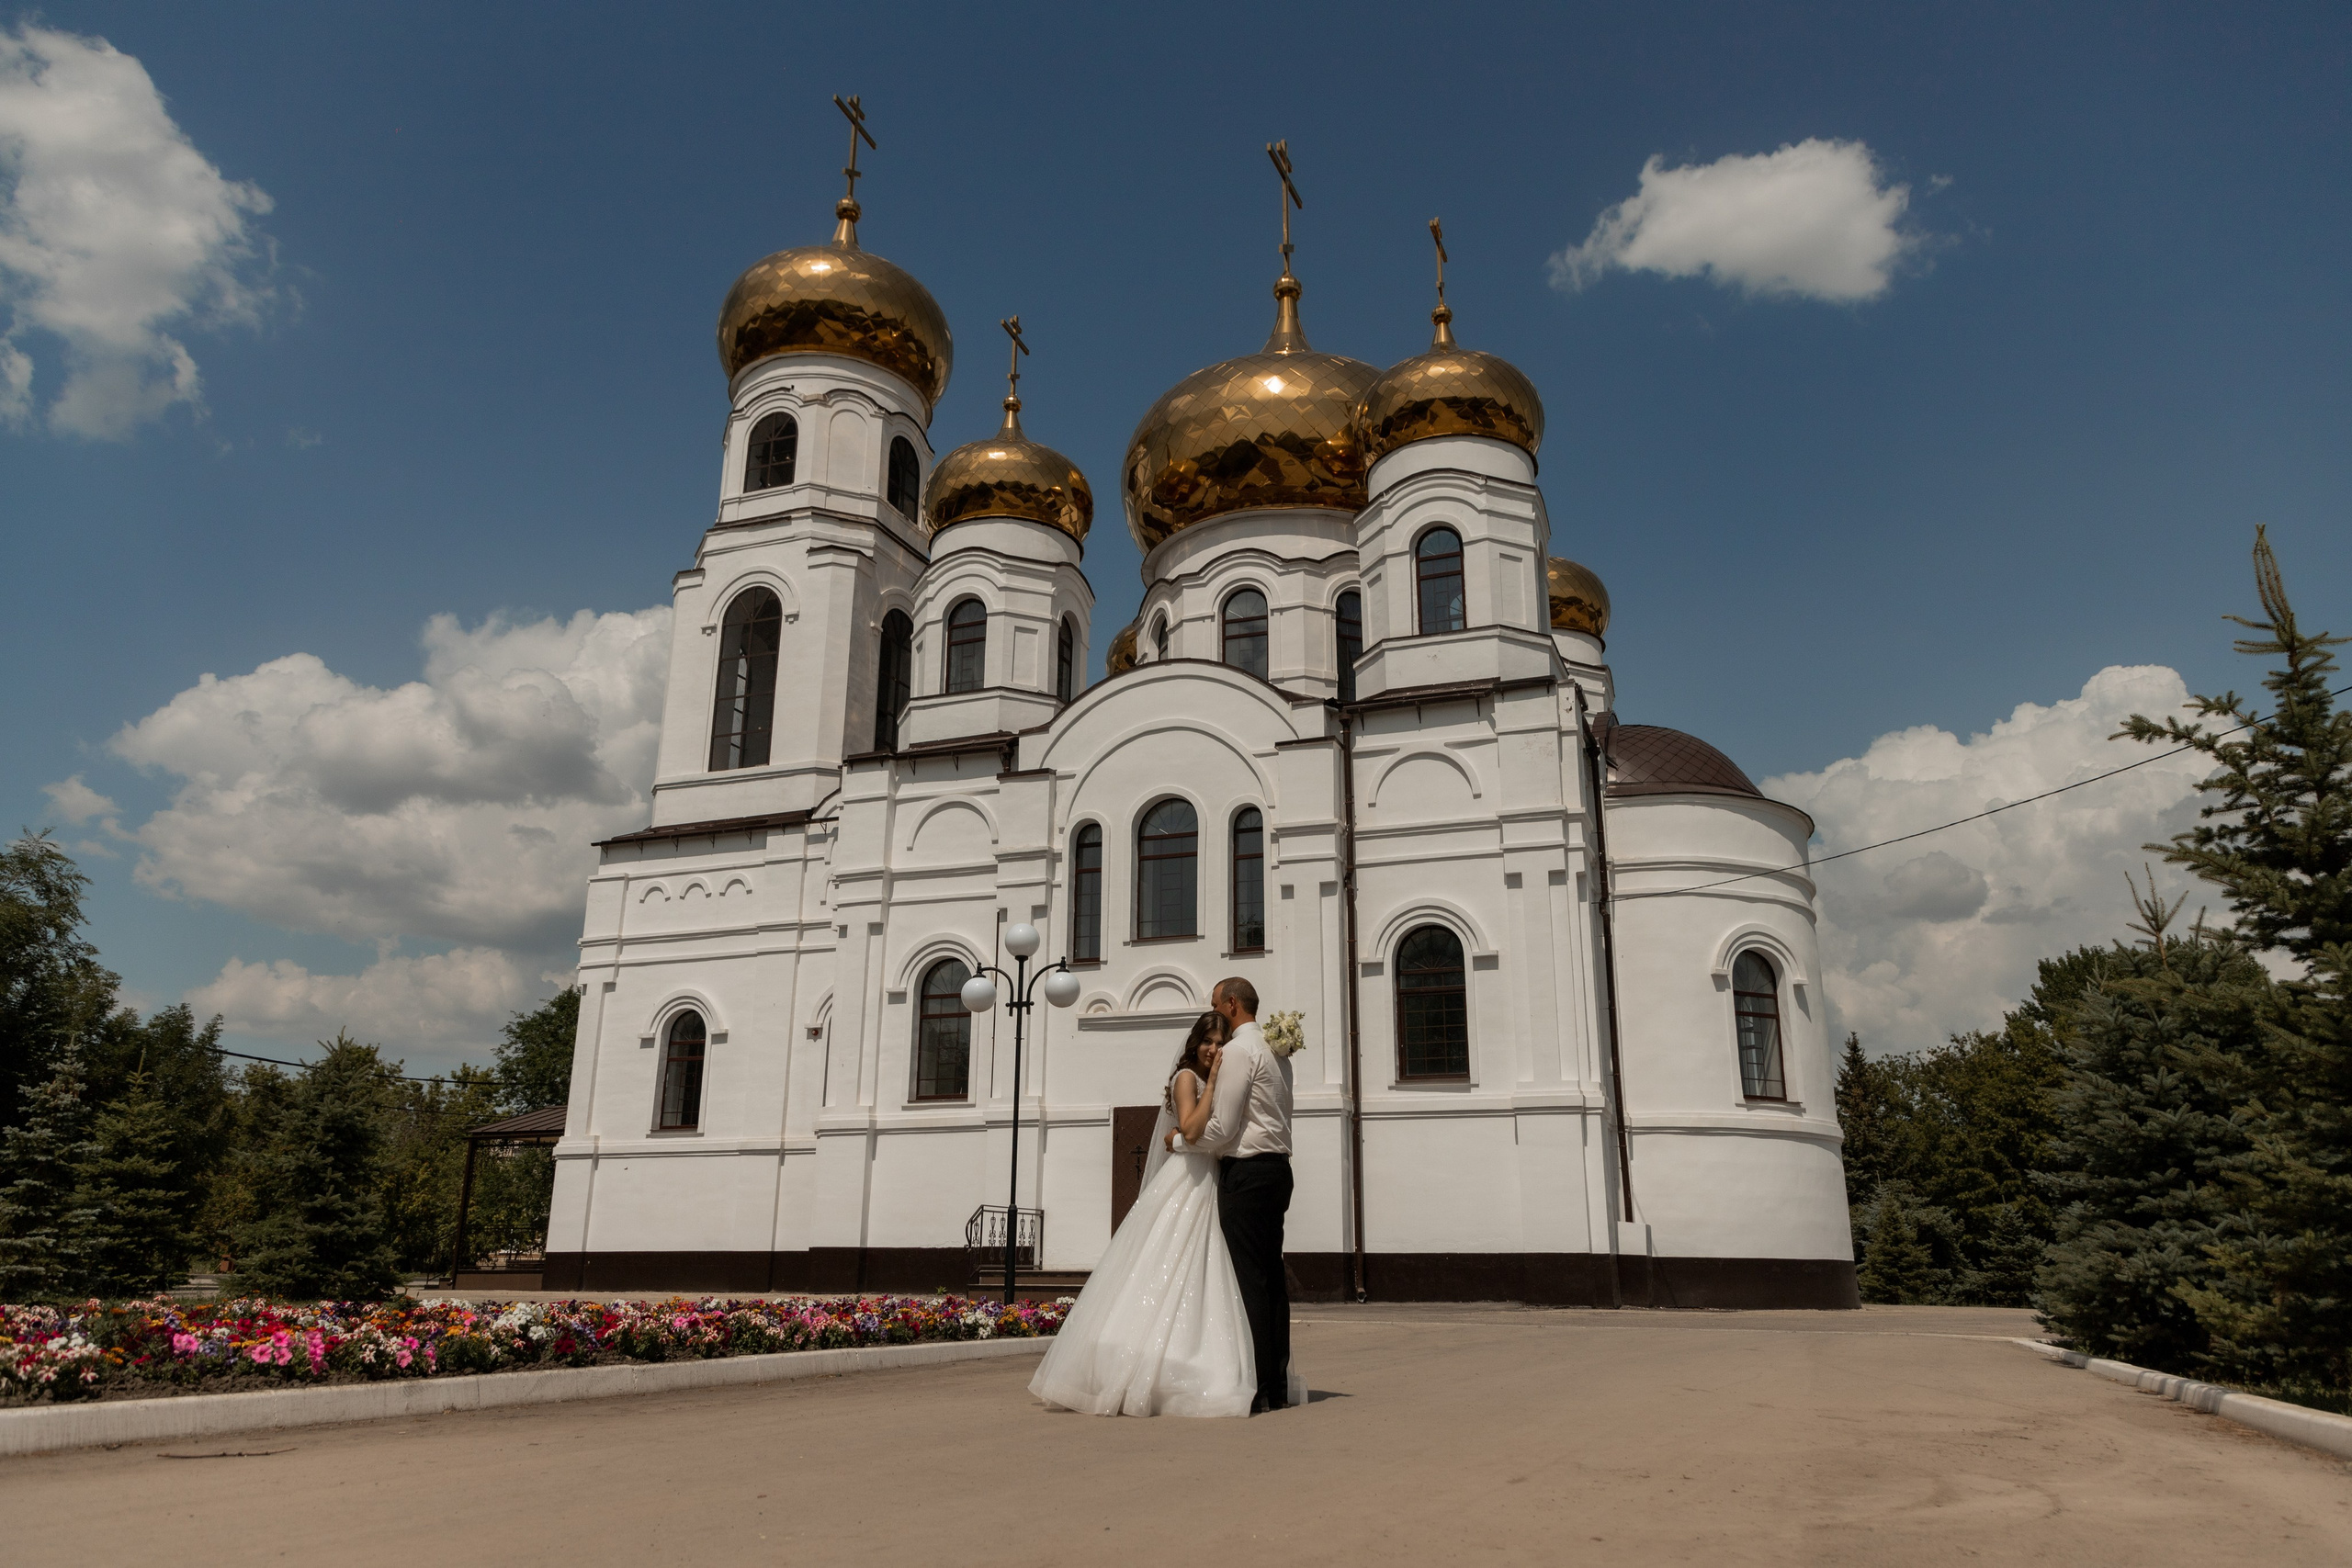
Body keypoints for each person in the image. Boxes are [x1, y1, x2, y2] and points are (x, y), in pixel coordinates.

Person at [1027, 1010, 1259, 1416]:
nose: (1214, 1049)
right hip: (1188, 1178)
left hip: (1208, 1176)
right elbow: (1190, 1129)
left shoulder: (1215, 1078)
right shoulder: (1187, 1078)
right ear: (1195, 1044)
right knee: (1166, 1260)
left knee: (1200, 1266)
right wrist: (1212, 1085)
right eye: (1208, 1041)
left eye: (1221, 1043)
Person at [1193, 975, 1297, 1414]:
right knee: (1271, 1280)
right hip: (1278, 1171)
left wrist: (1183, 1141)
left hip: (1248, 1173)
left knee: (1249, 1281)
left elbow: (1223, 1127)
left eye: (1216, 1004)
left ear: (1232, 1004)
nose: (1213, 1011)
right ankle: (1277, 1384)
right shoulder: (1276, 1051)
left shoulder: (1238, 1051)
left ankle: (1257, 1386)